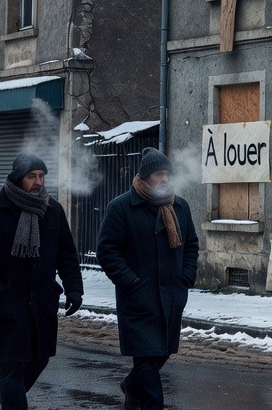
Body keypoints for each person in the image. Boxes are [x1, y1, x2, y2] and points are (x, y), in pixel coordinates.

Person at [0, 153, 84, 410]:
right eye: (32, 176)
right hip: (6, 305)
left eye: (41, 176)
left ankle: (8, 393)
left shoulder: (53, 211)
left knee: (40, 359)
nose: (38, 181)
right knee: (10, 367)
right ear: (18, 178)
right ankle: (12, 397)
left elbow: (66, 255)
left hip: (41, 304)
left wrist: (74, 289)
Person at [97, 147, 199, 410]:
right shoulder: (122, 207)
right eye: (158, 174)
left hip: (171, 297)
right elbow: (107, 251)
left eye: (167, 173)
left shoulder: (179, 206)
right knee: (146, 362)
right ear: (144, 177)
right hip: (139, 299)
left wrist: (186, 276)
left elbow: (191, 244)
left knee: (159, 354)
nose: (164, 178)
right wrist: (131, 282)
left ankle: (132, 385)